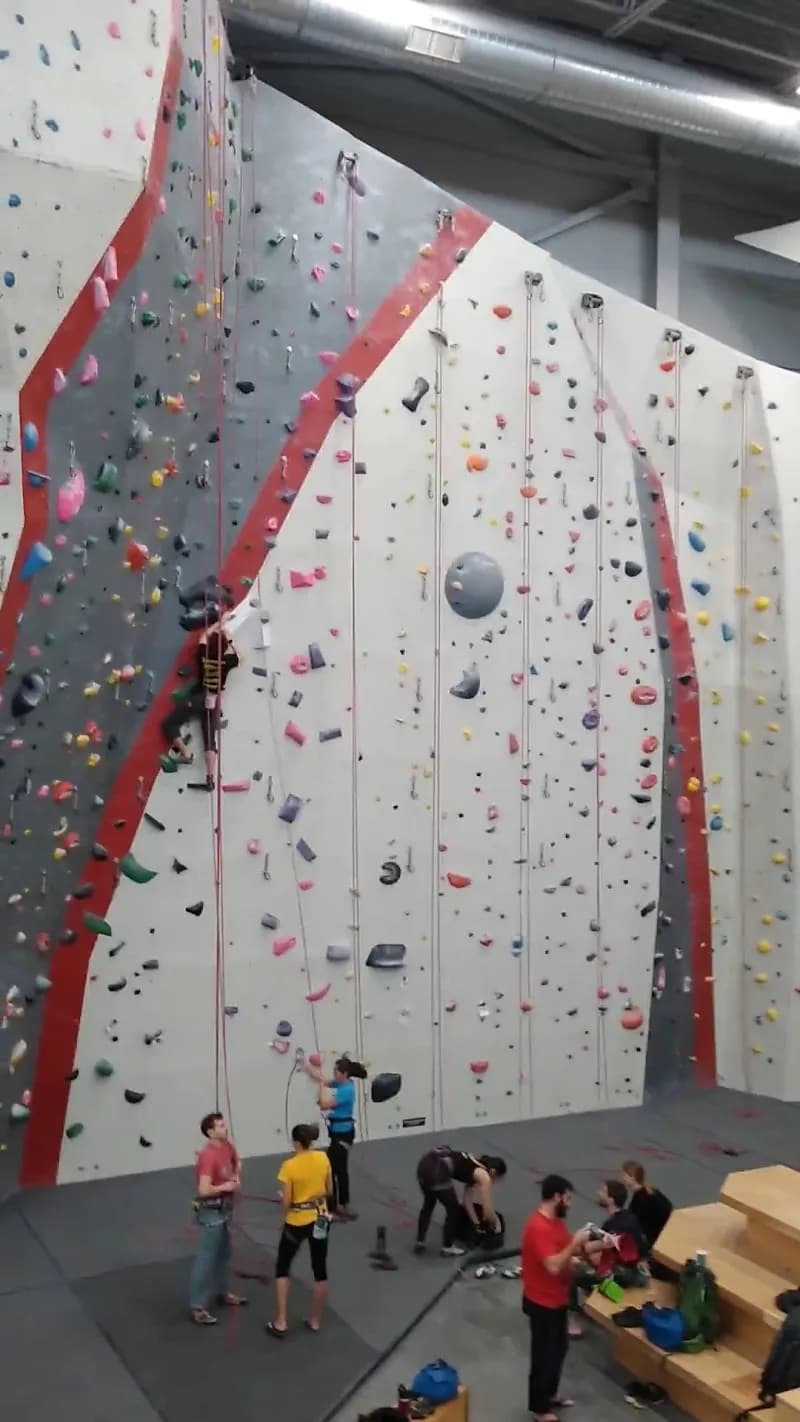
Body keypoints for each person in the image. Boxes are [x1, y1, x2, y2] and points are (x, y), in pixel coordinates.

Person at [521, 1174, 594, 1422]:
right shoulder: (537, 1227)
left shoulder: (555, 1223)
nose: (570, 1203)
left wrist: (581, 1251)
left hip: (557, 1299)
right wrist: (574, 1245)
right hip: (542, 1303)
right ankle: (539, 1409)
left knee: (558, 1350)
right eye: (568, 1198)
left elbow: (562, 1252)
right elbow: (552, 1265)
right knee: (543, 1355)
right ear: (557, 1197)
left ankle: (549, 1394)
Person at [266, 1122, 333, 1338]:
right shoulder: (323, 1158)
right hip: (320, 1219)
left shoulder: (289, 1166)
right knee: (320, 1269)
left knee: (283, 1268)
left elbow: (287, 1202)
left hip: (297, 1222)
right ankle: (315, 1320)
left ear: (295, 1142)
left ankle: (281, 1321)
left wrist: (282, 1202)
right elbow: (329, 1190)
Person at [161, 617, 240, 789]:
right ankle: (210, 777)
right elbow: (239, 656)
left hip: (199, 698)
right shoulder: (227, 662)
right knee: (209, 739)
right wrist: (229, 638)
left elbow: (203, 636)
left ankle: (185, 753)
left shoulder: (203, 655)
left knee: (169, 723)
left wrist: (218, 625)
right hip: (215, 702)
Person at [568, 1180, 650, 1338]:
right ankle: (589, 1301)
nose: (599, 1193)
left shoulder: (616, 1226)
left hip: (625, 1276)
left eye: (603, 1191)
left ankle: (574, 1321)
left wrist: (571, 1252)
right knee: (586, 1261)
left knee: (572, 1272)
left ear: (611, 1199)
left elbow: (589, 1249)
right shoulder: (627, 1217)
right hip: (633, 1270)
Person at [189, 1112, 247, 1325]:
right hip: (211, 1212)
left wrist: (236, 1175)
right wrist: (226, 1186)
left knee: (224, 1253)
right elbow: (203, 1190)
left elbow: (236, 1161)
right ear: (210, 1132)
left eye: (224, 1124)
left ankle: (222, 1292)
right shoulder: (208, 1156)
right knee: (206, 1258)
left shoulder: (227, 1146)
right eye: (221, 1126)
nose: (225, 1128)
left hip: (225, 1210)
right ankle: (197, 1306)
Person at [304, 1055, 367, 1221]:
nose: (334, 1074)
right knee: (331, 1169)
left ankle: (342, 1205)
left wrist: (321, 1086)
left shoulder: (347, 1090)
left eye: (336, 1071)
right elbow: (323, 1079)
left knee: (338, 1170)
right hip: (338, 1133)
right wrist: (307, 1066)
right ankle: (335, 1204)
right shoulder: (342, 1083)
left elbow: (323, 1104)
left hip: (343, 1134)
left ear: (344, 1074)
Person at [415, 1147, 507, 1257]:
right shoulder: (485, 1177)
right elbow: (487, 1210)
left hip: (424, 1165)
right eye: (497, 1177)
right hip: (437, 1171)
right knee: (453, 1209)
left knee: (429, 1204)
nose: (495, 1181)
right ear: (493, 1171)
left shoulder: (473, 1163)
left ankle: (420, 1242)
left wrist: (476, 1223)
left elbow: (467, 1201)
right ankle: (447, 1248)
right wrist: (496, 1225)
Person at [621, 1160, 673, 1249]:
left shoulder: (641, 1199)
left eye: (624, 1175)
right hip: (663, 1233)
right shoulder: (651, 1191)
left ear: (632, 1177)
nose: (622, 1178)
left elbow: (635, 1223)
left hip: (655, 1239)